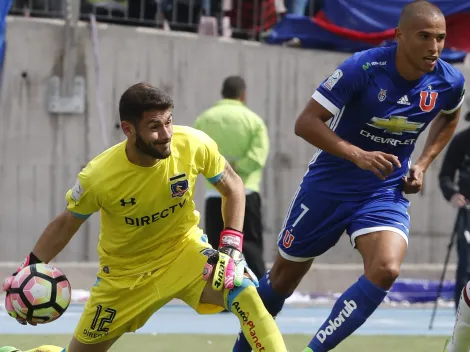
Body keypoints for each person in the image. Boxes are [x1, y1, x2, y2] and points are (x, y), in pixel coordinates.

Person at [232, 1, 466, 351]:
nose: (434, 47)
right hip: (329, 185)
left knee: (386, 268)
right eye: (424, 37)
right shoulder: (363, 68)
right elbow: (305, 123)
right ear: (399, 36)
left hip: (384, 190)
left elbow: (450, 116)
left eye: (441, 38)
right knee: (282, 281)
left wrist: (422, 164)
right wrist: (357, 154)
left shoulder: (449, 80)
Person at [1, 83, 288, 352]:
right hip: (124, 279)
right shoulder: (98, 176)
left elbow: (234, 186)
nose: (166, 134)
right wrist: (27, 271)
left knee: (244, 293)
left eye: (169, 122)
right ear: (128, 129)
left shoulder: (194, 144)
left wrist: (230, 246)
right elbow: (67, 222)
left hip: (185, 254)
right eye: (154, 126)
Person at [195, 76, 270, 280]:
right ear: (243, 95)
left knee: (217, 246)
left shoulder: (204, 119)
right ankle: (259, 294)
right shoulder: (253, 120)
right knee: (250, 245)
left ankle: (218, 294)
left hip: (214, 193)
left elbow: (195, 152)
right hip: (246, 192)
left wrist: (219, 171)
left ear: (222, 92)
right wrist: (234, 169)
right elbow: (258, 156)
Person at [439, 125, 470, 308]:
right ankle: (463, 315)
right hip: (467, 213)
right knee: (466, 265)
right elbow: (445, 175)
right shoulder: (462, 140)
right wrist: (452, 194)